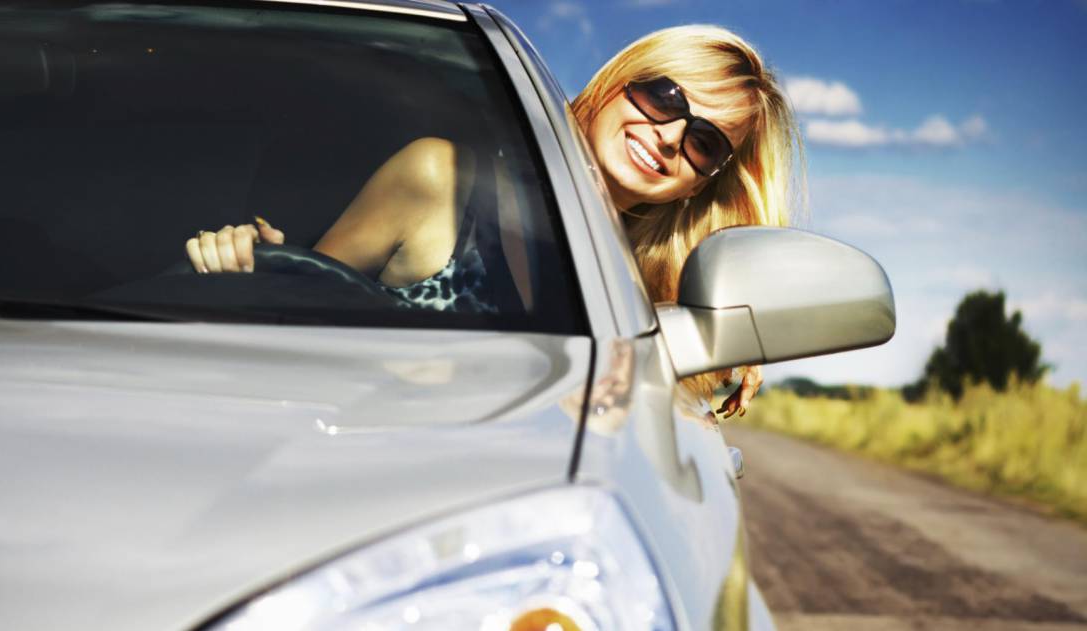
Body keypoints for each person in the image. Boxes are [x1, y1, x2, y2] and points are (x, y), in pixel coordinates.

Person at [184, 25, 804, 419]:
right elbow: (302, 331)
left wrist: (726, 339)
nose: (668, 135)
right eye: (664, 97)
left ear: (705, 180)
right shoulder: (440, 179)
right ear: (617, 83)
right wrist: (258, 267)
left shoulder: (648, 295)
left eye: (704, 141)